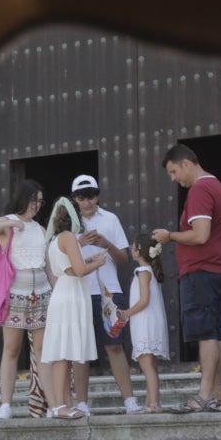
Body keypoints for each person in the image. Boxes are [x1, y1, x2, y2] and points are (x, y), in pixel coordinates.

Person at [150, 143, 221, 414]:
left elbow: (200, 235)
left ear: (186, 163)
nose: (174, 179)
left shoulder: (200, 189)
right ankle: (217, 397)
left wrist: (170, 236)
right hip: (215, 272)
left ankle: (203, 395)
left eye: (174, 171)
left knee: (207, 335)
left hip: (202, 273)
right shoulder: (217, 186)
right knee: (216, 334)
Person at [0, 180, 49, 420]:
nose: (36, 206)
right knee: (11, 349)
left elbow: (47, 264)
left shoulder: (40, 228)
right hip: (16, 293)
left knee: (41, 351)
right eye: (33, 200)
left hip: (41, 293)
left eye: (39, 201)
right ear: (23, 199)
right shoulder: (8, 223)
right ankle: (5, 404)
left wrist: (57, 291)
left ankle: (51, 402)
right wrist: (10, 222)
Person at [67, 174, 139, 415]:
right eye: (81, 197)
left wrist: (106, 243)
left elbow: (124, 259)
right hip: (79, 291)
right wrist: (77, 241)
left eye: (91, 195)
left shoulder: (110, 218)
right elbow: (57, 258)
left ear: (98, 195)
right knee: (81, 349)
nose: (87, 202)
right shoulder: (68, 223)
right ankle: (82, 403)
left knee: (115, 346)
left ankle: (129, 401)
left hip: (109, 290)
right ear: (74, 199)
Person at [39, 196, 106, 418]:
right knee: (63, 352)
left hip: (65, 291)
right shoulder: (68, 237)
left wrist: (89, 261)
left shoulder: (55, 240)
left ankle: (65, 403)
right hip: (70, 294)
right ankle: (59, 405)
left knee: (64, 352)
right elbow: (78, 270)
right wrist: (98, 263)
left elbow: (69, 267)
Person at [121, 234, 171, 413]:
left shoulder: (142, 272)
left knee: (147, 365)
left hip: (145, 322)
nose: (130, 249)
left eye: (132, 246)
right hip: (151, 321)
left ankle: (154, 403)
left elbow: (144, 301)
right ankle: (150, 403)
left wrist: (126, 313)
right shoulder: (151, 271)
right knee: (151, 365)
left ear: (138, 251)